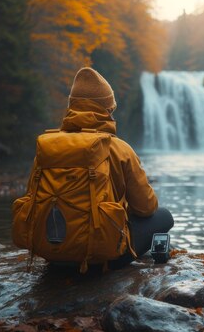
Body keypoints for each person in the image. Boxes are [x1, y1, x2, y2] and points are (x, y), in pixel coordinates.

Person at [61, 67, 173, 269]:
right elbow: (146, 207)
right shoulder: (119, 149)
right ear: (107, 109)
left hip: (54, 257)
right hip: (101, 261)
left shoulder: (48, 147)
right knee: (164, 216)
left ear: (71, 107)